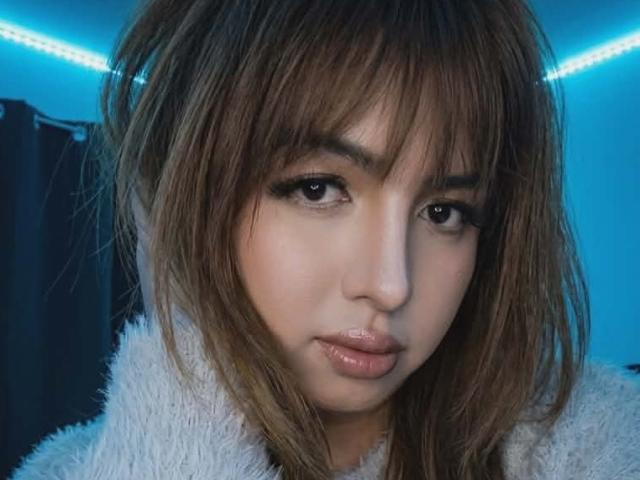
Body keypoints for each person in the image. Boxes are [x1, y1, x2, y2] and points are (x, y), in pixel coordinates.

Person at [10, 0, 640, 479]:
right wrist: (186, 388)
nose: (390, 286)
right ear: (187, 196)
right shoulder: (77, 469)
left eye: (444, 212)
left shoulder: (590, 440)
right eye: (317, 189)